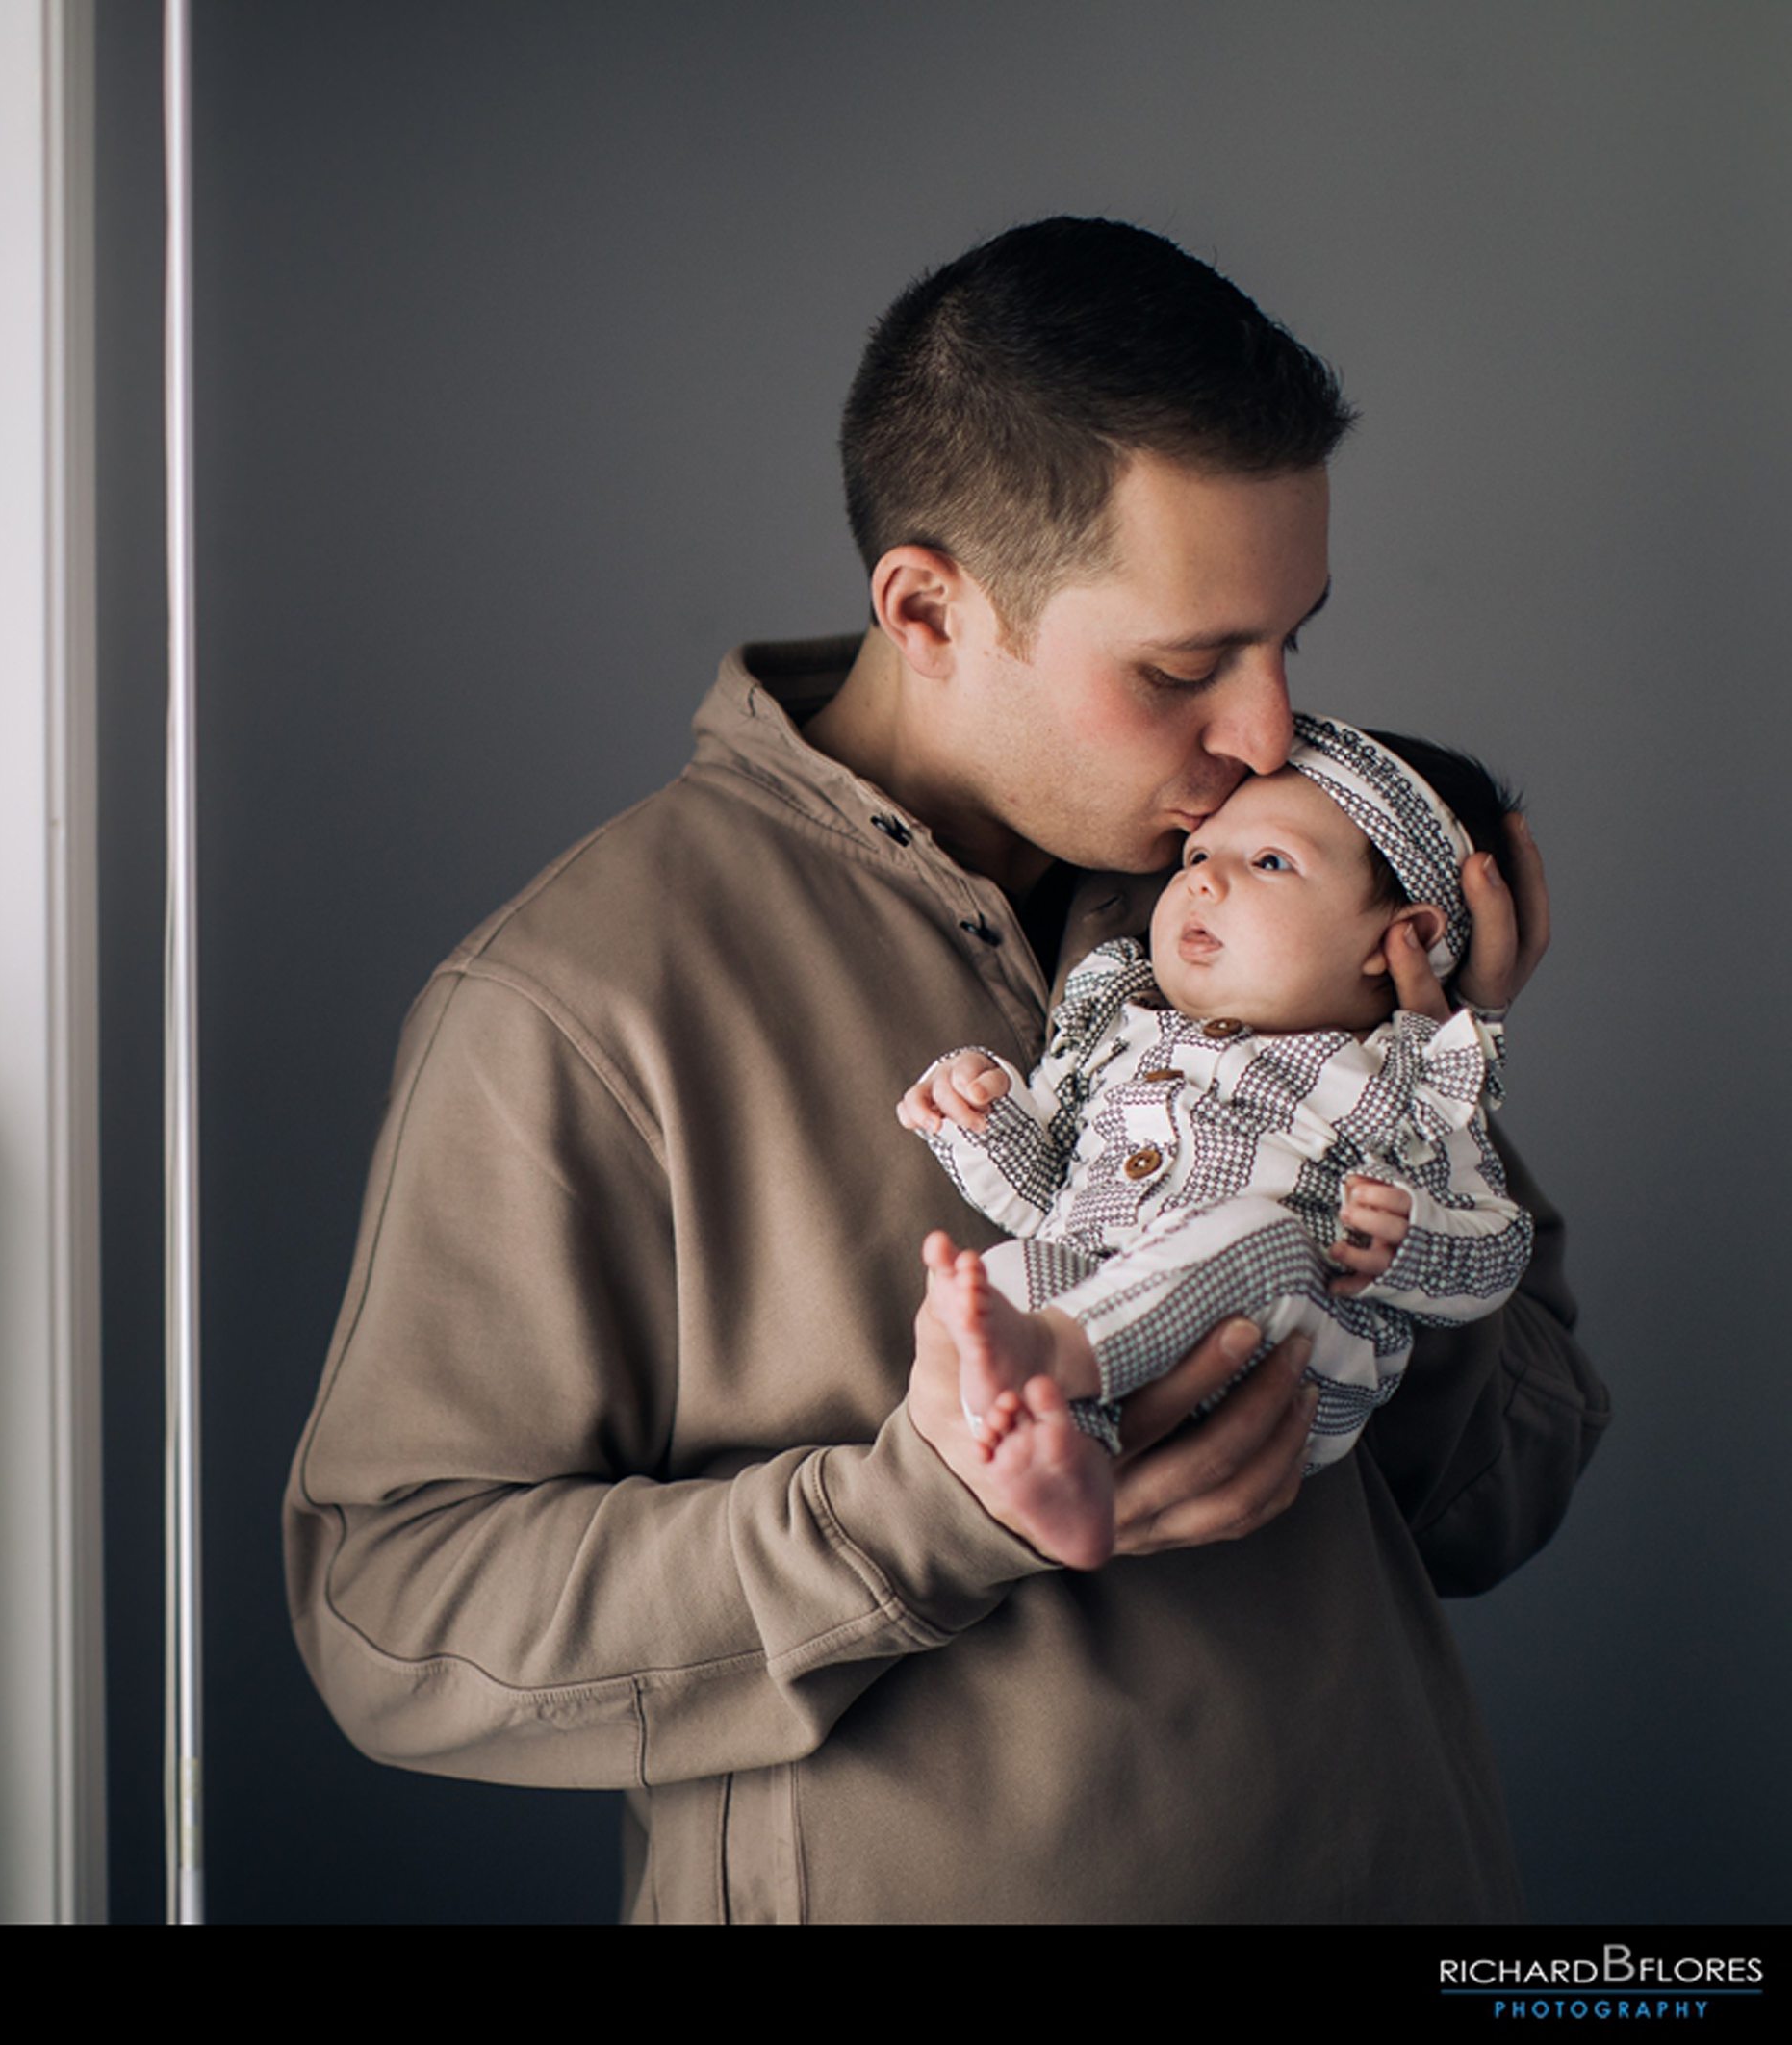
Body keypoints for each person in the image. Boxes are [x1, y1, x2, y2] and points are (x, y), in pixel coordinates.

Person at [281, 217, 1604, 1921]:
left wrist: (1441, 1091)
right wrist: (922, 1519)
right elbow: (392, 1618)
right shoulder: (575, 1005)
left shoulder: (1289, 902)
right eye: (1185, 665)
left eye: (1291, 639)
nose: (1271, 734)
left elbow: (1502, 1506)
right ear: (927, 608)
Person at [901, 720, 1533, 1571]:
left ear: (1401, 941)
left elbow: (1500, 1236)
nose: (1203, 883)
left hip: (1284, 1347)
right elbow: (1048, 1196)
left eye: (1269, 862)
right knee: (1008, 1275)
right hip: (1106, 1304)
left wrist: (1412, 1241)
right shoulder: (1123, 1035)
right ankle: (1069, 1465)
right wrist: (979, 1117)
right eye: (1196, 858)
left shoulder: (1397, 1081)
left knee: (1252, 1234)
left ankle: (1055, 1356)